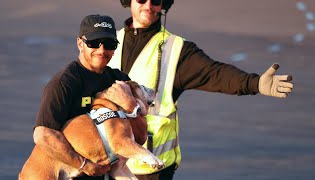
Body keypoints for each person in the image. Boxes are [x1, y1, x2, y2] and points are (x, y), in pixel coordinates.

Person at [106, 0, 294, 179]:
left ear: (165, 4)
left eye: (156, 0)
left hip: (149, 169)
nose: (148, 5)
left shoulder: (177, 50)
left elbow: (216, 74)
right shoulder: (109, 42)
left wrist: (256, 83)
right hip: (107, 161)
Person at [33, 14, 140, 180]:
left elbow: (139, 137)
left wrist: (131, 106)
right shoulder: (64, 83)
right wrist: (84, 165)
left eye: (109, 44)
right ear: (80, 44)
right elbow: (42, 135)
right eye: (94, 43)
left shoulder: (120, 81)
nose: (102, 50)